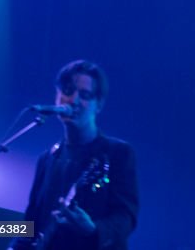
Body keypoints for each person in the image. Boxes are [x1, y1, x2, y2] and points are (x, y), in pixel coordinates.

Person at [12, 60, 138, 250]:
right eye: (68, 91)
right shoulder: (47, 159)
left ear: (99, 104)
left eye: (85, 95)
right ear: (57, 97)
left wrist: (93, 229)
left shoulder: (117, 153)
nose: (74, 100)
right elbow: (30, 225)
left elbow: (126, 217)